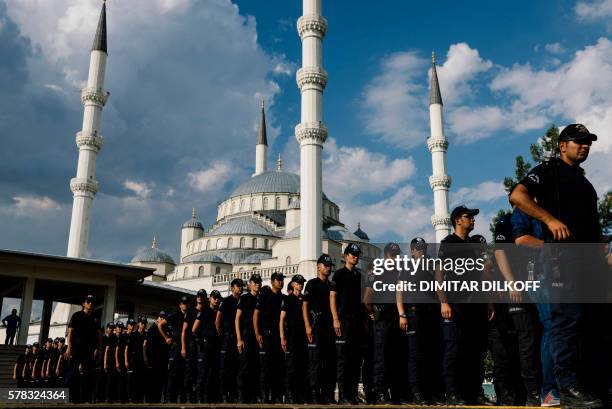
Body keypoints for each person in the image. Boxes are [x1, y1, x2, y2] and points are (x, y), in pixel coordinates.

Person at [509, 123, 604, 408]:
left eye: (587, 142)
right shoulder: (549, 170)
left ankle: (589, 386)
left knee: (590, 325)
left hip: (588, 263)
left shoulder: (584, 182)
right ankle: (567, 389)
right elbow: (517, 195)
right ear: (563, 146)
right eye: (578, 141)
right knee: (565, 323)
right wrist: (549, 220)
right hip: (563, 260)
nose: (584, 145)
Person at [436, 206, 492, 405]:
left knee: (476, 351)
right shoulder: (448, 243)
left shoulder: (474, 245)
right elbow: (439, 274)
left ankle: (474, 393)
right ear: (457, 220)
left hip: (476, 304)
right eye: (469, 217)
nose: (473, 220)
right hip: (457, 304)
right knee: (455, 349)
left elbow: (481, 276)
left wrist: (488, 302)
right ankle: (453, 393)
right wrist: (444, 302)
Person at [397, 237, 443, 404]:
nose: (421, 250)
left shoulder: (432, 264)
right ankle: (417, 393)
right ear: (412, 251)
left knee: (432, 354)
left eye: (423, 248)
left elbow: (439, 286)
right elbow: (399, 291)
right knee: (416, 355)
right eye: (418, 248)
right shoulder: (407, 266)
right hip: (414, 313)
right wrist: (402, 314)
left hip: (432, 313)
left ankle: (431, 392)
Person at [365, 242, 403, 404]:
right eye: (393, 255)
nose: (395, 258)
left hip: (395, 318)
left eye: (397, 255)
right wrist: (372, 313)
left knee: (393, 357)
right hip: (382, 320)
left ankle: (393, 393)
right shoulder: (377, 270)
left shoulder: (397, 273)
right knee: (380, 357)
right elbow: (367, 298)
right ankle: (380, 392)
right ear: (386, 255)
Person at [330, 243, 366, 404]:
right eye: (352, 254)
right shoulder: (338, 275)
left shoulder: (359, 275)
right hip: (344, 321)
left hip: (357, 321)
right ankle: (343, 395)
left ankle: (352, 394)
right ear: (345, 256)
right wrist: (336, 319)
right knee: (343, 359)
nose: (355, 257)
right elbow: (332, 298)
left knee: (355, 359)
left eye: (357, 254)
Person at [303, 254, 336, 403]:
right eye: (325, 265)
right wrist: (308, 327)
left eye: (329, 266)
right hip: (316, 326)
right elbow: (305, 306)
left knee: (329, 362)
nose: (328, 268)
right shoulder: (311, 284)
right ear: (318, 266)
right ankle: (314, 394)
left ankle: (328, 394)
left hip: (330, 327)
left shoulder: (331, 286)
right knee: (315, 362)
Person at [254, 272, 286, 403]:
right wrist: (258, 333)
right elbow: (256, 315)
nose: (280, 282)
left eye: (281, 280)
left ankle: (277, 396)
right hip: (267, 335)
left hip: (279, 336)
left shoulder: (283, 298)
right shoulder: (265, 296)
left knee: (278, 367)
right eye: (278, 280)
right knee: (266, 367)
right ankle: (265, 396)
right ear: (272, 281)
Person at [65, 294, 101, 403]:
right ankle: (71, 398)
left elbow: (98, 335)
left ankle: (86, 398)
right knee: (73, 373)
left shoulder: (95, 318)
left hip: (89, 349)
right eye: (88, 301)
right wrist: (69, 347)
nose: (91, 304)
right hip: (76, 348)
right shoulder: (76, 315)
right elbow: (70, 332)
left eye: (92, 302)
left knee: (88, 374)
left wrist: (98, 348)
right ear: (83, 303)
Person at [280, 274, 307, 403]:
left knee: (301, 366)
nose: (300, 284)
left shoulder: (303, 299)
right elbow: (282, 319)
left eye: (302, 282)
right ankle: (289, 394)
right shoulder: (288, 299)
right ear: (293, 284)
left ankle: (299, 394)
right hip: (291, 336)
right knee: (291, 367)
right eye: (298, 282)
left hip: (302, 336)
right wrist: (282, 337)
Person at [236, 273, 262, 403]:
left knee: (255, 366)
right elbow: (237, 318)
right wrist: (239, 339)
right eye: (255, 282)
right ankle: (242, 394)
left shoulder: (261, 298)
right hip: (247, 334)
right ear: (250, 284)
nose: (257, 284)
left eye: (259, 282)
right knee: (244, 365)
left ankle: (253, 394)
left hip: (258, 336)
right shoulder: (245, 298)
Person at [216, 279, 244, 403]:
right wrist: (221, 334)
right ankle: (224, 394)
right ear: (232, 288)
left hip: (240, 338)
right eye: (237, 286)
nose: (240, 288)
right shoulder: (226, 301)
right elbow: (217, 320)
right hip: (228, 338)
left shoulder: (243, 301)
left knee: (237, 368)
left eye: (241, 286)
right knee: (226, 368)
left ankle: (234, 394)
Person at [192, 289, 222, 403]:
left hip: (216, 345)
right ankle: (200, 398)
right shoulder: (204, 311)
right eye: (214, 297)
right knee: (203, 373)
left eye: (218, 298)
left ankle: (209, 397)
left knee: (213, 373)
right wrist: (201, 340)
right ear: (210, 299)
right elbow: (194, 329)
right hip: (205, 345)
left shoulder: (219, 312)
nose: (216, 300)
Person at [165, 296, 189, 403]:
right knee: (173, 373)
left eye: (187, 303)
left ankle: (182, 398)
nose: (185, 305)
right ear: (180, 305)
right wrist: (166, 338)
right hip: (176, 346)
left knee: (183, 373)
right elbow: (160, 325)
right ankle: (170, 398)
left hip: (186, 347)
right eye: (183, 303)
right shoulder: (175, 314)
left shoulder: (189, 315)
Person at [183, 290, 205, 403]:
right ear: (196, 298)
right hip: (191, 344)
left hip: (201, 345)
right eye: (199, 296)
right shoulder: (191, 311)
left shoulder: (206, 311)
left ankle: (197, 396)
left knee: (200, 372)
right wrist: (183, 347)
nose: (200, 298)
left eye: (202, 296)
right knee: (189, 371)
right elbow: (184, 331)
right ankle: (188, 396)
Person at [143, 311, 170, 403]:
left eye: (163, 317)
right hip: (154, 359)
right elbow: (148, 345)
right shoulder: (153, 329)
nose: (162, 318)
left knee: (160, 381)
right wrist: (148, 359)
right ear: (157, 318)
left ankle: (157, 400)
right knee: (152, 381)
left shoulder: (166, 329)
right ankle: (150, 400)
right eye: (160, 317)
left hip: (163, 360)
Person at [125, 318, 145, 403]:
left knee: (140, 380)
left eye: (144, 323)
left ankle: (139, 398)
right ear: (139, 324)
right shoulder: (133, 335)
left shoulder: (145, 335)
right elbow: (127, 349)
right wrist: (126, 361)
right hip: (134, 359)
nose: (143, 325)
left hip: (142, 360)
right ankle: (132, 398)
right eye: (142, 323)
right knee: (133, 380)